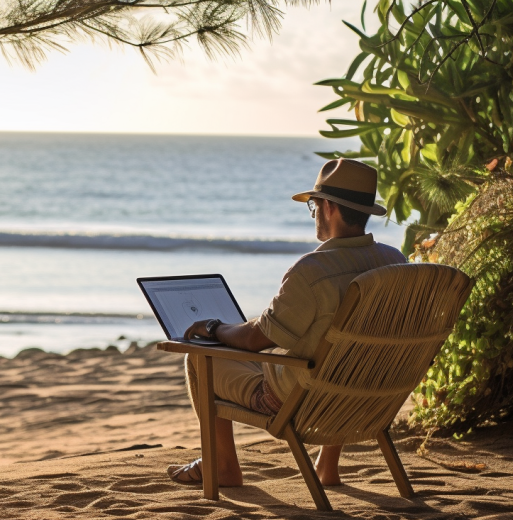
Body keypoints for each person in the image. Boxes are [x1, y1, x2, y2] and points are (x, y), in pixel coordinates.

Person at [167, 158, 406, 488]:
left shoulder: (313, 270)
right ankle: (327, 466)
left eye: (314, 205)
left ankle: (222, 466)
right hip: (366, 396)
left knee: (199, 356)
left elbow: (256, 340)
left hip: (299, 402)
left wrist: (213, 329)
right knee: (341, 350)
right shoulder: (394, 261)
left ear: (329, 208)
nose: (314, 215)